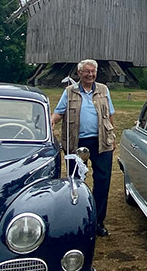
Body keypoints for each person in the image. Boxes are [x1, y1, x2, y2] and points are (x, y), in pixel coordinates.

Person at [51, 59, 115, 237]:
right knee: (76, 182)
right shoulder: (69, 91)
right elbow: (59, 112)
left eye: (93, 71)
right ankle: (78, 220)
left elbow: (110, 114)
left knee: (103, 181)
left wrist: (112, 136)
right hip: (76, 143)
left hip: (101, 141)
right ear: (79, 73)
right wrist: (52, 120)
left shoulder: (103, 90)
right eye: (87, 71)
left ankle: (97, 221)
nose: (90, 74)